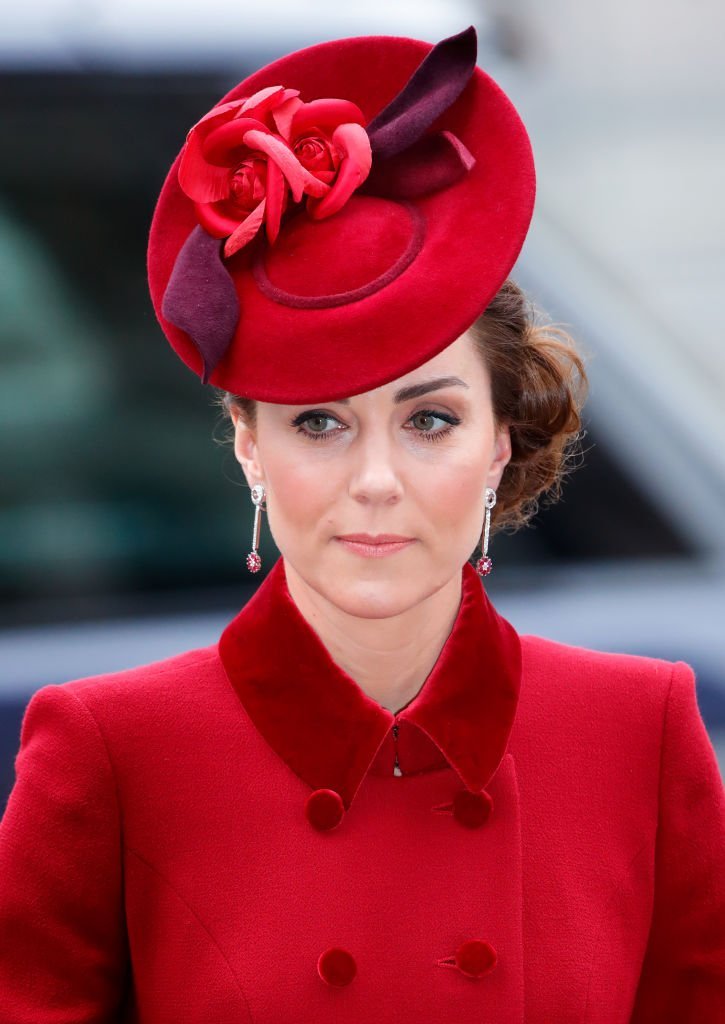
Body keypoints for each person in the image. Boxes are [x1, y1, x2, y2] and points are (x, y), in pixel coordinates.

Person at [0, 24, 723, 1023]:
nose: (376, 479)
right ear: (247, 444)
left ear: (499, 442)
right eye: (319, 423)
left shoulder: (636, 731)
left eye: (429, 419)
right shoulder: (112, 751)